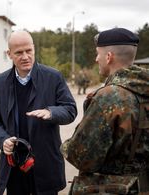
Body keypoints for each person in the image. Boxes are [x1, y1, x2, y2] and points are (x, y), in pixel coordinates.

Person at [0, 30, 77, 195]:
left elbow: (70, 110)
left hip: (45, 165)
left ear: (34, 49)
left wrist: (51, 112)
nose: (25, 56)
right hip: (14, 166)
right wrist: (3, 139)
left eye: (28, 51)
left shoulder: (53, 77)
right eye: (19, 53)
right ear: (9, 54)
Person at [61, 28, 149, 193]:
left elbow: (81, 157)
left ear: (109, 57)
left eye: (98, 54)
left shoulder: (109, 96)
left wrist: (66, 146)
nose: (96, 59)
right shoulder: (143, 88)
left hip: (113, 188)